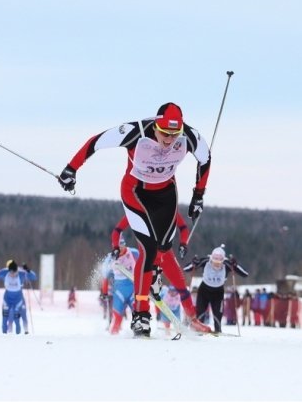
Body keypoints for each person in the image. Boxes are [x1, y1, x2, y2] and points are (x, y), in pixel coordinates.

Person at [58, 102, 212, 337]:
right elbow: (96, 142)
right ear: (156, 124)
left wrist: (198, 195)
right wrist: (71, 169)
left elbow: (206, 158)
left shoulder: (189, 136)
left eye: (175, 134)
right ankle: (141, 314)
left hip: (166, 195)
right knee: (148, 248)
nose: (170, 140)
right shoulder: (136, 131)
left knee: (164, 249)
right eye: (164, 133)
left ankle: (179, 302)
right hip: (135, 193)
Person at [109, 214, 211, 333]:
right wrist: (116, 246)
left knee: (181, 286)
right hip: (147, 256)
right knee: (142, 290)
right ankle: (141, 320)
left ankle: (193, 320)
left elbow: (183, 226)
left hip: (166, 255)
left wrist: (183, 243)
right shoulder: (138, 209)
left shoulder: (167, 206)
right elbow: (117, 230)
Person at [182, 245, 249, 333]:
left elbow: (245, 274)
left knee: (217, 316)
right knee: (200, 314)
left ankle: (218, 330)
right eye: (214, 261)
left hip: (218, 293)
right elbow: (186, 269)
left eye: (219, 262)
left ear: (223, 260)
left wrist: (235, 265)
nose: (217, 264)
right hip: (204, 291)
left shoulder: (227, 265)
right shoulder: (205, 261)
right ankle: (198, 330)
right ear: (211, 258)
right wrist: (193, 263)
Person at [0, 260, 37, 334]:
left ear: (17, 270)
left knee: (16, 319)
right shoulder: (5, 272)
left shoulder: (21, 274)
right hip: (7, 299)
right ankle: (4, 334)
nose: (12, 274)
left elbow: (34, 277)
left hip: (18, 300)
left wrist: (28, 270)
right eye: (11, 272)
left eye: (14, 272)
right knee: (5, 318)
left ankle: (18, 335)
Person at [101, 236, 139, 334]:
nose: (120, 249)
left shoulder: (134, 252)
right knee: (117, 316)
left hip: (133, 288)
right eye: (117, 247)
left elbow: (145, 265)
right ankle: (114, 336)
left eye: (122, 246)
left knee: (138, 314)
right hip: (119, 291)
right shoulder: (110, 258)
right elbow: (105, 277)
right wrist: (104, 292)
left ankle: (139, 332)